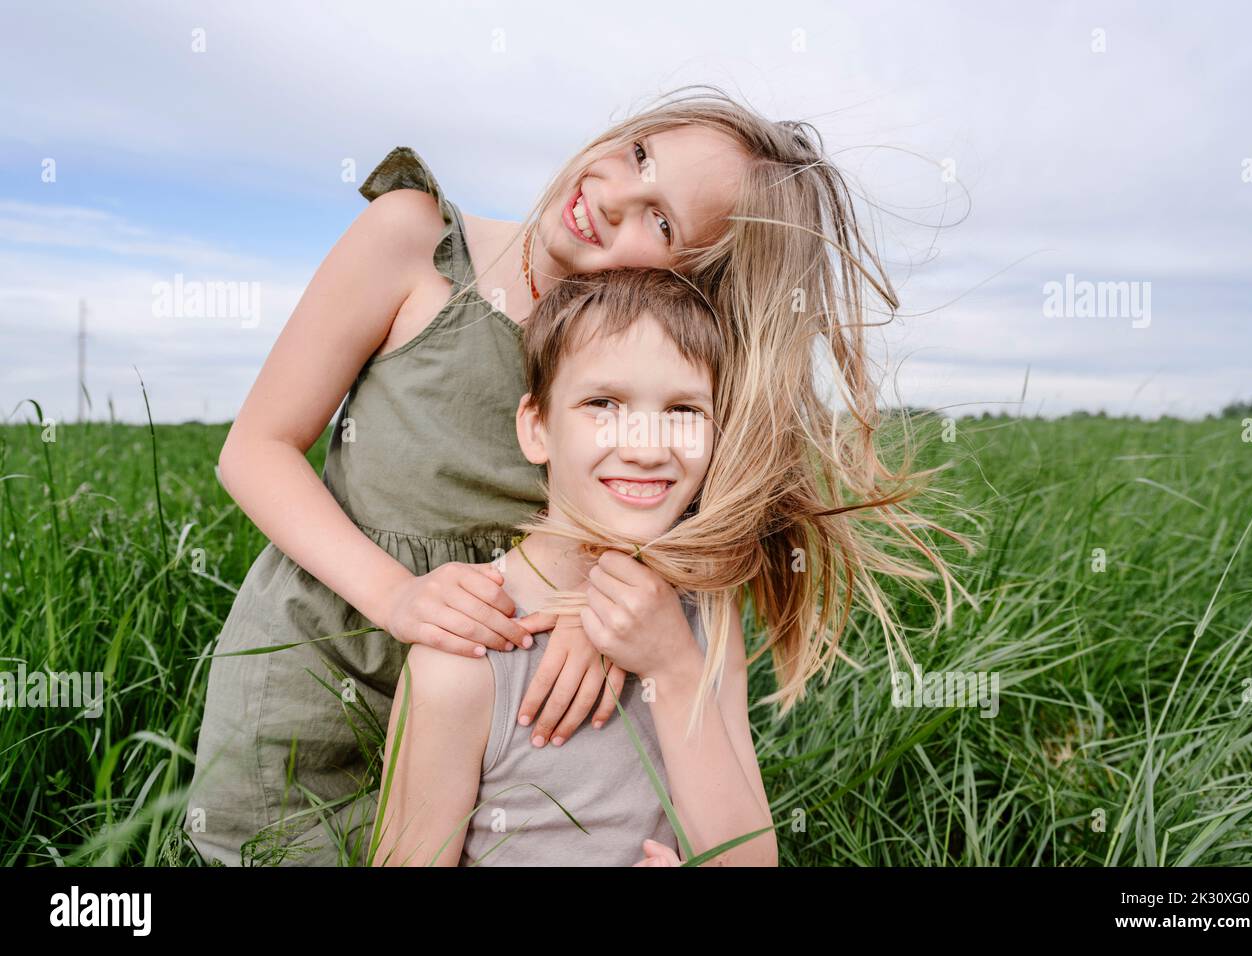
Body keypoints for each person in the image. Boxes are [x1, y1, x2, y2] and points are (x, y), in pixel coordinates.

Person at [185, 84, 964, 866]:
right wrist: (400, 598)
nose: (612, 195)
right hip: (323, 667)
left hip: (513, 705)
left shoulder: (657, 374)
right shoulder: (415, 242)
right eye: (637, 155)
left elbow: (691, 503)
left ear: (691, 277)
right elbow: (256, 448)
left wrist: (608, 591)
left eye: (661, 221)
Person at [373, 266, 776, 866]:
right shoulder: (468, 651)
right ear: (537, 428)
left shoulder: (710, 611)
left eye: (684, 410)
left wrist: (673, 665)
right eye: (603, 403)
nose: (645, 447)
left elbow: (749, 859)